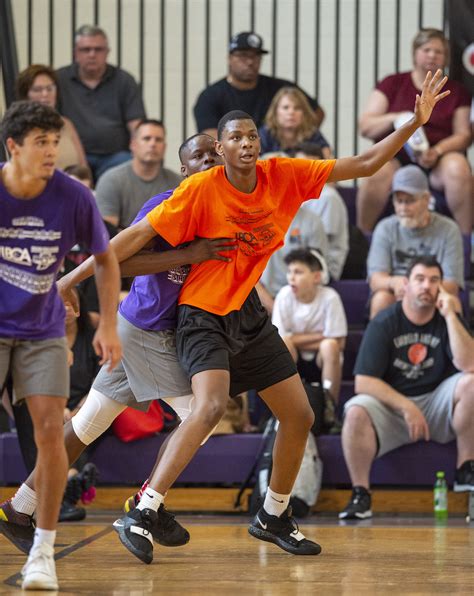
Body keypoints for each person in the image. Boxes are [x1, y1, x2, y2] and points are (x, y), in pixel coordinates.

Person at [78, 69, 447, 564]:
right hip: (201, 315)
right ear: (222, 150)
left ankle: (273, 515)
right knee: (206, 410)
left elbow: (364, 161)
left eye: (252, 135)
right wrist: (73, 278)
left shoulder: (283, 174)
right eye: (235, 138)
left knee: (300, 415)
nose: (246, 144)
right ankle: (143, 510)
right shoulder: (199, 189)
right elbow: (128, 242)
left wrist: (413, 123)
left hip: (247, 315)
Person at [0, 133, 234, 562]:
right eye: (196, 157)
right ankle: (148, 505)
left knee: (87, 425)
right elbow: (115, 259)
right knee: (200, 415)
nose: (206, 161)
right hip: (147, 328)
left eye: (210, 153)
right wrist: (193, 254)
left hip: (149, 329)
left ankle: (19, 508)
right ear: (183, 170)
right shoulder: (166, 204)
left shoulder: (223, 205)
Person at [0, 101, 121, 591]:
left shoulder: (73, 195)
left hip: (42, 329)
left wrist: (108, 324)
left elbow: (106, 260)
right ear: (13, 147)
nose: (52, 151)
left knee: (51, 433)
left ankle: (42, 553)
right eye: (40, 143)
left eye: (56, 142)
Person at [339, 256, 474, 520]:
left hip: (437, 404)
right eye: (420, 279)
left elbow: (468, 364)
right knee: (355, 410)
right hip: (394, 408)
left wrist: (449, 316)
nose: (427, 286)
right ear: (406, 285)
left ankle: (465, 468)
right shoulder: (385, 322)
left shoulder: (448, 317)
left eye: (434, 280)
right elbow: (362, 382)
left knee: (472, 383)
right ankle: (360, 494)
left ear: (441, 287)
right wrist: (406, 406)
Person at [357, 28, 472, 234]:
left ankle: (466, 240)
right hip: (396, 157)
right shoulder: (392, 83)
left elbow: (464, 135)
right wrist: (399, 118)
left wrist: (437, 151)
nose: (432, 55)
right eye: (426, 49)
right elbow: (366, 126)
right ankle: (362, 237)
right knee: (376, 170)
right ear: (414, 53)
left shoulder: (456, 91)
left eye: (438, 51)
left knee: (459, 168)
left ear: (445, 58)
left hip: (438, 159)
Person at [368, 165, 464, 319]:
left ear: (426, 199)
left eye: (410, 201)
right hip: (396, 292)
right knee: (381, 299)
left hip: (431, 291)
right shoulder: (385, 228)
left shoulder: (449, 229)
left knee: (451, 302)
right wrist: (393, 282)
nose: (403, 208)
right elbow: (376, 280)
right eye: (399, 201)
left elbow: (452, 285)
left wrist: (417, 290)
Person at [56, 24, 146, 180]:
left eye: (98, 49)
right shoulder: (59, 79)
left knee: (130, 165)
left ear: (107, 52)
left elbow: (136, 125)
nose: (92, 54)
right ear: (75, 53)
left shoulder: (124, 80)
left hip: (116, 157)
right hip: (73, 157)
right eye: (86, 49)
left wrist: (140, 152)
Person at [193, 31, 324, 139]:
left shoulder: (280, 88)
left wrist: (298, 138)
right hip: (233, 166)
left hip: (280, 160)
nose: (250, 61)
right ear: (229, 58)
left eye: (256, 56)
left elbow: (317, 112)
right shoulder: (210, 96)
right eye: (243, 55)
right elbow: (210, 136)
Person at [272, 248, 347, 407]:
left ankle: (330, 408)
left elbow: (340, 342)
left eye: (298, 272)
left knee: (330, 346)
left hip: (321, 360)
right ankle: (283, 408)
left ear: (316, 276)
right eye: (290, 272)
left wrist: (295, 338)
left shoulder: (330, 297)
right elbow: (277, 342)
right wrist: (321, 336)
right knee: (284, 344)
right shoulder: (284, 295)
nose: (291, 277)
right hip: (293, 358)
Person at [95, 119, 182, 229]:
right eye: (147, 138)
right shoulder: (110, 180)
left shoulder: (178, 183)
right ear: (133, 145)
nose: (152, 144)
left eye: (158, 140)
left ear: (164, 147)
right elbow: (107, 232)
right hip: (122, 245)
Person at [256, 203, 329, 314]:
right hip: (263, 302)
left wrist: (297, 310)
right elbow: (248, 278)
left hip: (302, 302)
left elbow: (317, 271)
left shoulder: (312, 221)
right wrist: (274, 308)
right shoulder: (254, 221)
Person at [294, 142, 349, 280]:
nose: (304, 170)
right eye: (299, 165)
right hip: (297, 260)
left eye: (310, 166)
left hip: (323, 266)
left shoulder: (328, 197)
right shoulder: (293, 193)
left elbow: (319, 244)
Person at [16, 64, 87, 170]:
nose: (45, 94)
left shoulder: (66, 123)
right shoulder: (18, 127)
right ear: (25, 95)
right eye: (37, 89)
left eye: (50, 88)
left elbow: (83, 167)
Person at [259, 87, 331, 158]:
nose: (291, 112)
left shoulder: (312, 133)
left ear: (304, 113)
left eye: (297, 108)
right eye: (285, 107)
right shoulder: (265, 133)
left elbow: (328, 158)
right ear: (275, 111)